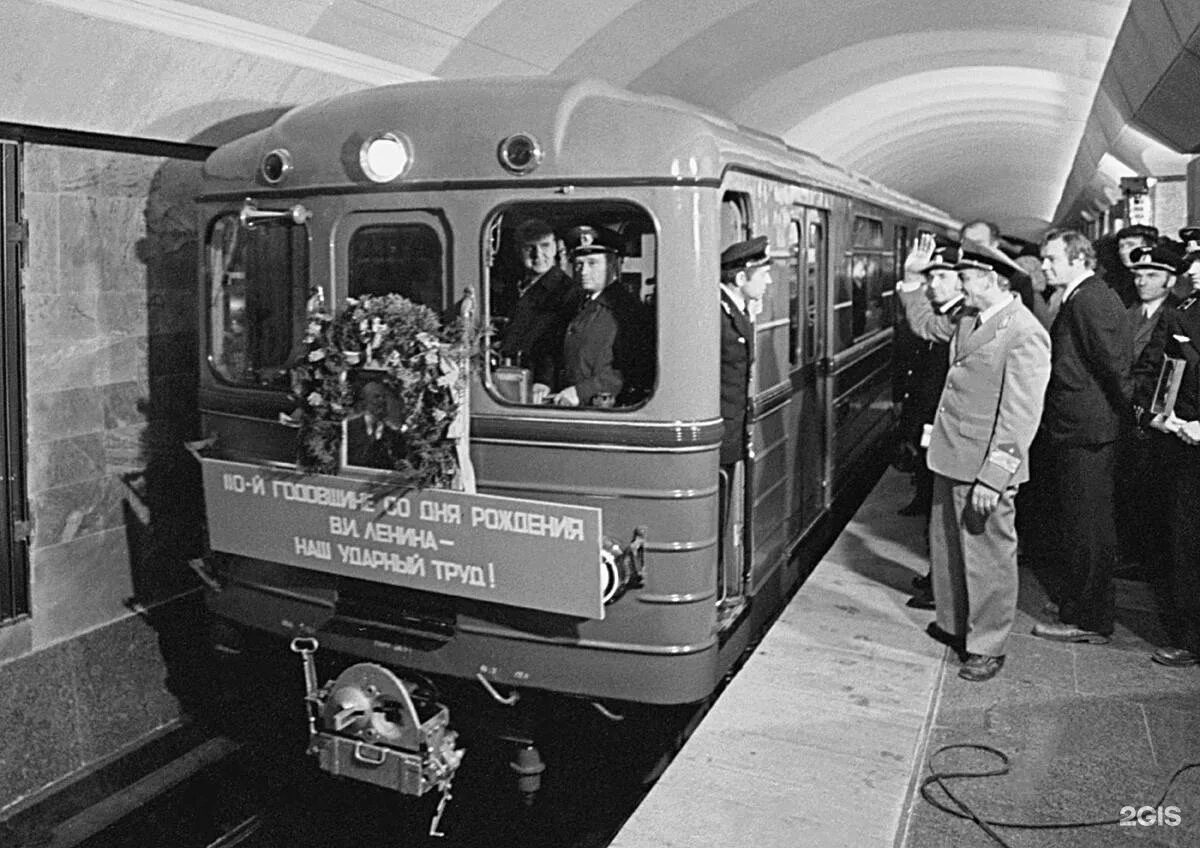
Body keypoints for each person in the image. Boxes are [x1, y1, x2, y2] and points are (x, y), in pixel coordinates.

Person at [897, 242, 1050, 682]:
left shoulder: (1024, 332)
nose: (958, 284)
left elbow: (1021, 414)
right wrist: (910, 280)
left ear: (991, 280)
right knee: (947, 548)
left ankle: (988, 645)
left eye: (965, 277)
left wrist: (994, 476)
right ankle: (954, 624)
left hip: (985, 464)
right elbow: (925, 327)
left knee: (988, 557)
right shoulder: (968, 317)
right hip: (950, 453)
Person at [1032, 230, 1132, 645]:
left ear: (1078, 258)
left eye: (1052, 258)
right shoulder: (1081, 295)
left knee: (1088, 527)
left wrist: (1132, 418)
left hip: (1088, 431)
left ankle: (1091, 620)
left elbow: (1114, 366)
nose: (1045, 265)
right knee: (1076, 524)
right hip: (1077, 428)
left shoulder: (1090, 298)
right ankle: (1076, 602)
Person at [1131, 270, 1200, 667]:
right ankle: (1191, 637)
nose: (1190, 269)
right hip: (1183, 447)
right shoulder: (1184, 312)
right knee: (1186, 543)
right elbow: (1162, 369)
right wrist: (1159, 415)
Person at [896, 239, 968, 611]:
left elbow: (923, 326)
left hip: (945, 433)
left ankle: (942, 586)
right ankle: (936, 578)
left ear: (963, 281)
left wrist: (910, 281)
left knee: (942, 517)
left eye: (942, 276)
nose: (933, 284)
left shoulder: (960, 320)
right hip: (931, 430)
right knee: (934, 511)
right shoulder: (953, 315)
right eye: (931, 276)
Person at [550, 225, 641, 407]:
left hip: (604, 409)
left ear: (613, 265)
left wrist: (581, 392)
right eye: (579, 264)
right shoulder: (575, 303)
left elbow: (632, 371)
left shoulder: (628, 310)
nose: (583, 272)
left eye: (592, 263)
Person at [495, 218, 580, 402]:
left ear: (557, 247)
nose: (538, 254)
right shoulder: (510, 286)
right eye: (529, 248)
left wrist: (544, 380)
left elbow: (558, 342)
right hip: (504, 378)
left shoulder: (567, 292)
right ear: (517, 249)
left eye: (545, 246)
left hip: (538, 387)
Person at [345, 380, 402, 469]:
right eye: (376, 397)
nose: (382, 401)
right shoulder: (349, 428)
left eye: (384, 397)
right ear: (365, 400)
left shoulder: (394, 435)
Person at [1104, 224, 1159, 308]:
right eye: (1121, 246)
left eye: (1131, 245)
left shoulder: (1161, 277)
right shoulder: (1113, 280)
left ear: (1150, 247)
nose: (1123, 251)